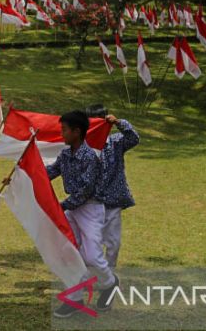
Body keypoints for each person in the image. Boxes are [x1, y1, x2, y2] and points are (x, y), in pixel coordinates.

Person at [46, 110, 117, 318]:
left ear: (77, 132)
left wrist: (62, 206)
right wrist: (29, 174)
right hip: (72, 209)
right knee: (69, 252)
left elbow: (86, 190)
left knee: (92, 256)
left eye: (65, 130)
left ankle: (109, 283)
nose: (62, 134)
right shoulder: (66, 154)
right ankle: (75, 299)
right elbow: (52, 171)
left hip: (90, 209)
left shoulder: (91, 157)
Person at [85, 105, 139, 310]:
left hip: (113, 202)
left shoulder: (116, 142)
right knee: (91, 246)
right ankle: (102, 283)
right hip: (90, 203)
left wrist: (119, 123)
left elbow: (134, 138)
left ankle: (109, 280)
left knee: (113, 244)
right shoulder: (83, 145)